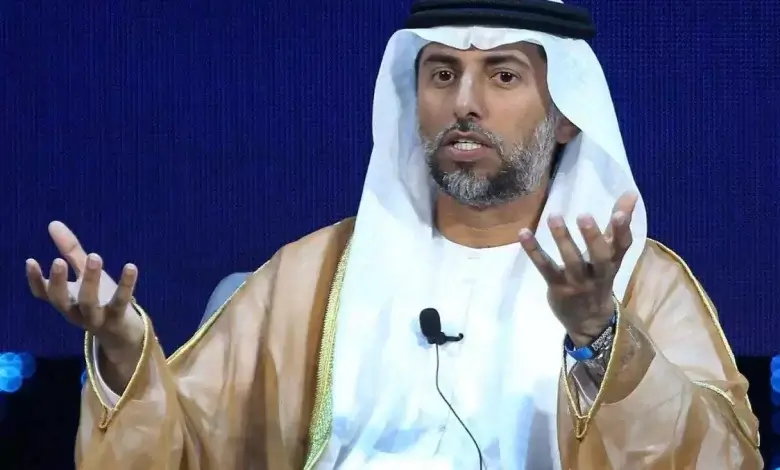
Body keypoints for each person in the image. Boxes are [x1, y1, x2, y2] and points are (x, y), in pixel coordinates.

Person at [25, 0, 761, 468]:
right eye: (441, 74)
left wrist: (600, 335)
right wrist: (123, 349)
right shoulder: (316, 275)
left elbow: (722, 460)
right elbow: (186, 448)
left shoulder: (641, 284)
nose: (464, 102)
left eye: (502, 76)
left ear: (567, 113)